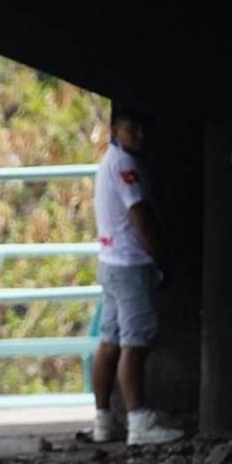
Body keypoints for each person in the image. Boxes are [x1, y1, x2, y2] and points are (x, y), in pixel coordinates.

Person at [90, 106, 184, 446]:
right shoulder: (126, 166)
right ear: (115, 130)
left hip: (110, 261)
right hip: (130, 265)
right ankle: (138, 421)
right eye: (133, 130)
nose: (140, 136)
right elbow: (141, 220)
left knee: (110, 340)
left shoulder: (108, 161)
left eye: (143, 130)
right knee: (135, 343)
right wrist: (162, 261)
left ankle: (103, 420)